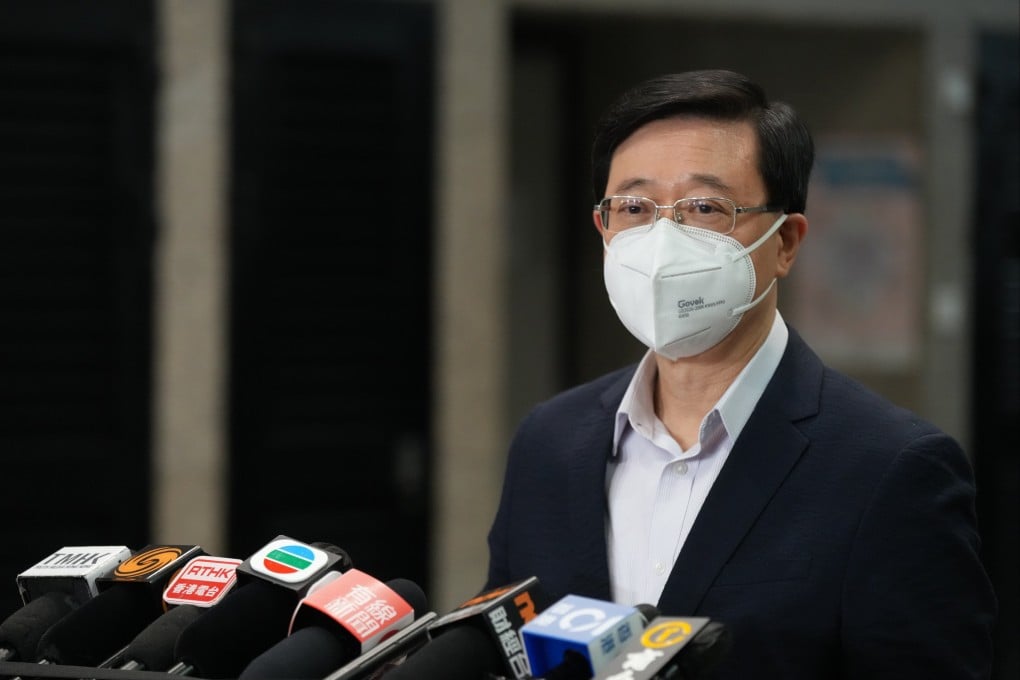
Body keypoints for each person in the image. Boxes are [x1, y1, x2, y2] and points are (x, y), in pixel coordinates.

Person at [484, 69, 997, 678]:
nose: (662, 239)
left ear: (786, 243)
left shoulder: (890, 469)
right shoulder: (549, 442)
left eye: (706, 207)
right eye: (634, 207)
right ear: (603, 227)